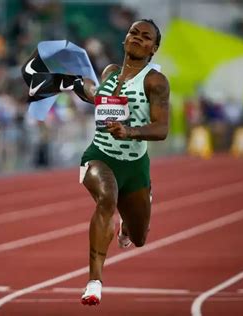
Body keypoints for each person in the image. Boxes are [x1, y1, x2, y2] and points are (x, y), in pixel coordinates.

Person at [78, 19, 169, 305]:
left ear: (153, 48)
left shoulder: (155, 81)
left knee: (139, 238)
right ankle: (94, 282)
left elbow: (162, 128)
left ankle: (128, 225)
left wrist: (130, 131)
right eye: (133, 33)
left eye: (145, 37)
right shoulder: (109, 72)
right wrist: (76, 86)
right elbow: (97, 96)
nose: (138, 38)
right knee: (106, 198)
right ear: (124, 39)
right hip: (99, 156)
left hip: (135, 166)